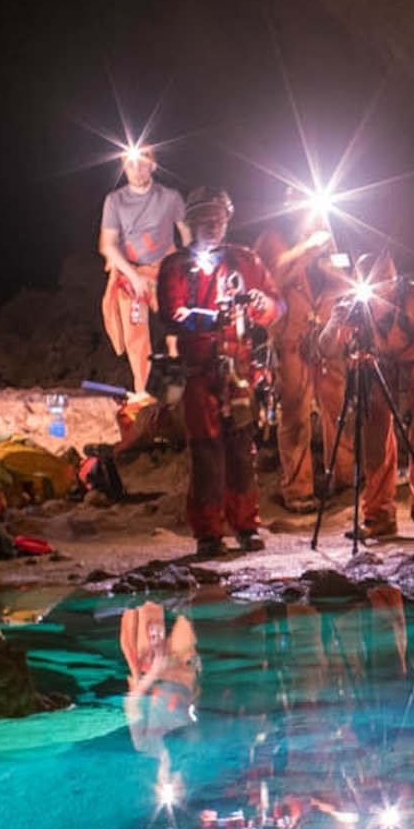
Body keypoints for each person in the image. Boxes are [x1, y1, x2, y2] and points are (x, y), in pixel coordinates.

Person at [158, 189, 278, 557]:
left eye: (218, 220)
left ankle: (245, 524)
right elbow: (170, 313)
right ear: (192, 223)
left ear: (227, 221)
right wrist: (209, 317)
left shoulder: (245, 260)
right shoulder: (176, 267)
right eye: (205, 220)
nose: (212, 226)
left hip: (239, 372)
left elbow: (276, 306)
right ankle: (208, 531)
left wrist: (263, 304)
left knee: (242, 447)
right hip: (198, 371)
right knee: (206, 449)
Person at [339, 251, 414, 541]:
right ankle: (378, 516)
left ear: (394, 277)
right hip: (381, 363)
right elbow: (335, 347)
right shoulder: (358, 307)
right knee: (373, 431)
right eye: (371, 280)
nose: (379, 285)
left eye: (384, 278)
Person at [256, 221, 349, 513]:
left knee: (339, 409)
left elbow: (346, 283)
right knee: (295, 415)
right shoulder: (274, 240)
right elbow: (270, 277)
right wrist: (306, 250)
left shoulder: (333, 239)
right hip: (292, 341)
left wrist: (331, 266)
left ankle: (345, 480)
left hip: (328, 340)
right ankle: (298, 490)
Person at [98, 143, 187, 395]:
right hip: (130, 275)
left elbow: (187, 232)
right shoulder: (114, 201)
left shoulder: (170, 197)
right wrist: (133, 275)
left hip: (164, 273)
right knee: (136, 340)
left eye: (142, 163)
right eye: (130, 164)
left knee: (178, 328)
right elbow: (108, 245)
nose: (136, 170)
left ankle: (181, 388)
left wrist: (187, 265)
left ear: (153, 166)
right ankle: (143, 394)